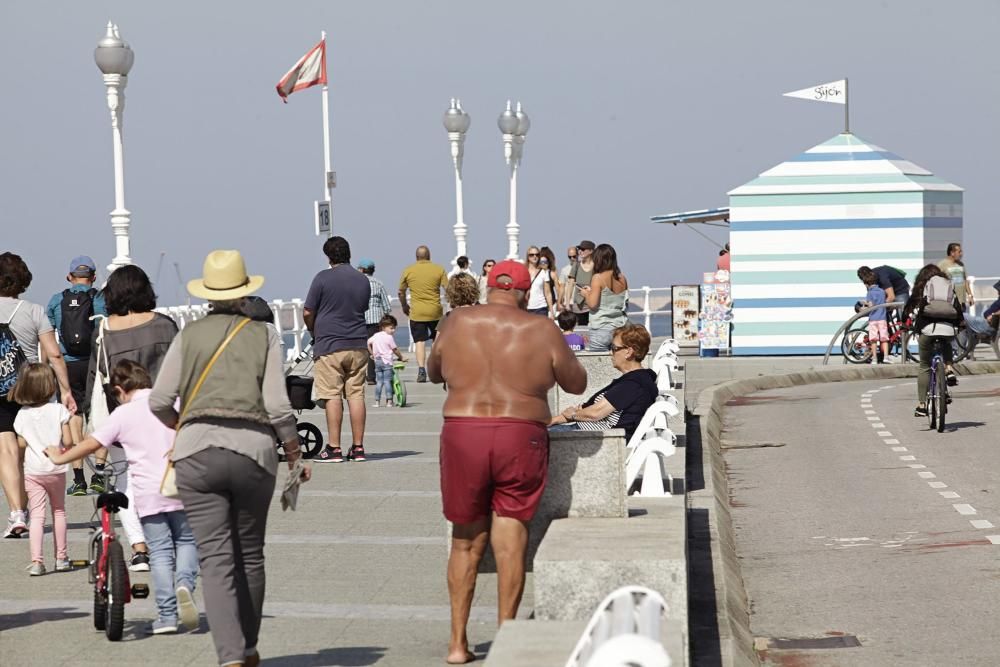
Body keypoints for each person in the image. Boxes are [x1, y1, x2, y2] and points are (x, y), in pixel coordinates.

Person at [150, 249, 311, 667]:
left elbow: (159, 400)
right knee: (250, 554)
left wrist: (183, 425)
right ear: (244, 293)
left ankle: (230, 656)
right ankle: (250, 646)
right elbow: (277, 406)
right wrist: (293, 452)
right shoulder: (265, 335)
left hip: (196, 454)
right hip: (254, 453)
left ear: (206, 294)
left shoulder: (188, 335)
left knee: (216, 560)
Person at [427, 259, 587, 664]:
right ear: (523, 292)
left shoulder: (456, 322)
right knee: (511, 536)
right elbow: (576, 382)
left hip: (463, 431)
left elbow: (432, 371)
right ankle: (506, 638)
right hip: (521, 433)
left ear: (488, 289)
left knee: (465, 540)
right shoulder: (542, 329)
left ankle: (457, 644)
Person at [47, 360, 199, 635]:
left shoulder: (122, 415)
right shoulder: (173, 402)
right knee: (187, 541)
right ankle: (185, 583)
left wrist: (59, 457)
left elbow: (90, 445)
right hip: (181, 483)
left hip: (149, 494)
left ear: (119, 389)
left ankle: (166, 616)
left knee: (162, 552)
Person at [86, 264, 178, 571]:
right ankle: (171, 541)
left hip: (122, 418)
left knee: (127, 483)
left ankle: (139, 548)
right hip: (164, 416)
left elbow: (97, 377)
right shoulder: (165, 325)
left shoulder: (105, 330)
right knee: (168, 474)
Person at [0, 252, 76, 539]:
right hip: (29, 386)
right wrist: (65, 390)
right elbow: (55, 354)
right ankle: (36, 504)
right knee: (28, 446)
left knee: (5, 449)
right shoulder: (33, 311)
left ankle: (17, 513)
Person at [304, 237, 372, 463]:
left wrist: (314, 330)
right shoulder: (363, 280)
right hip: (358, 344)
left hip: (330, 345)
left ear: (328, 256)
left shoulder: (322, 278)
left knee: (332, 395)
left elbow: (307, 311)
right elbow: (361, 308)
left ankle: (334, 449)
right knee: (356, 395)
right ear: (349, 254)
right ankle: (359, 448)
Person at [47, 256, 108, 497]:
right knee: (99, 416)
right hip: (94, 363)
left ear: (69, 277)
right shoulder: (100, 298)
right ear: (93, 277)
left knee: (74, 416)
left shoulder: (57, 300)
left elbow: (48, 334)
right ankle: (99, 476)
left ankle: (79, 480)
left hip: (67, 364)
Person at [10, 363, 72, 575]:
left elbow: (20, 445)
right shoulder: (59, 411)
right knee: (59, 511)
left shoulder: (21, 415)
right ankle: (61, 558)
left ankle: (37, 562)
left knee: (37, 515)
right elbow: (69, 440)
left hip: (33, 471)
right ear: (50, 386)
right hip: (56, 468)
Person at [549, 324, 657, 442]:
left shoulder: (633, 384)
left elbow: (595, 413)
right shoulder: (634, 380)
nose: (611, 353)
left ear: (629, 352)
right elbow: (589, 410)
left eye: (614, 348)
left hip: (593, 438)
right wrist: (555, 420)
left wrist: (574, 415)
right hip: (584, 431)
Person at [902, 264, 962, 417]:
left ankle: (922, 405)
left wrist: (905, 324)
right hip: (948, 330)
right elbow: (958, 309)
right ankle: (948, 369)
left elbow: (907, 312)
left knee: (924, 366)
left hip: (928, 331)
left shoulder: (921, 290)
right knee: (946, 341)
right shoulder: (947, 287)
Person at [398, 245, 448, 383]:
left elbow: (401, 292)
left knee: (419, 341)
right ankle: (436, 368)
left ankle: (421, 370)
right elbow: (448, 289)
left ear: (416, 257)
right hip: (435, 311)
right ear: (429, 256)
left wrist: (404, 305)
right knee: (435, 340)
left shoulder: (409, 270)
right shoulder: (439, 269)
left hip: (417, 312)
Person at [583, 243, 629, 351]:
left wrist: (586, 294)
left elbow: (593, 305)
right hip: (620, 327)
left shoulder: (598, 278)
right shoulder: (622, 278)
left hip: (601, 328)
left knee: (598, 365)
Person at [358, 258, 392, 386]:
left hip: (360, 319)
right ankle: (372, 376)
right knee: (374, 348)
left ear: (361, 270)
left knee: (360, 348)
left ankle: (360, 375)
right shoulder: (379, 284)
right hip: (376, 320)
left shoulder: (357, 283)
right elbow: (387, 306)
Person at [367, 315, 405, 408]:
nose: (393, 330)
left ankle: (377, 402)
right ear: (383, 327)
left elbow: (368, 342)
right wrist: (401, 357)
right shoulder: (389, 337)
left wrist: (372, 354)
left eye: (394, 328)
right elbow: (395, 349)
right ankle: (389, 401)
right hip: (387, 362)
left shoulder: (376, 335)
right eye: (391, 328)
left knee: (379, 382)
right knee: (388, 381)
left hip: (377, 361)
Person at [860, 271, 890, 364]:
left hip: (873, 319)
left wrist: (864, 304)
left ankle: (874, 358)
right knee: (884, 339)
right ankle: (886, 357)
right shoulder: (882, 291)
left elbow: (871, 305)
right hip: (882, 318)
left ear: (866, 284)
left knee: (873, 340)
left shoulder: (870, 293)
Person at [563, 240, 595, 326]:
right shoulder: (576, 265)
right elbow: (570, 285)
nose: (580, 251)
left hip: (593, 305)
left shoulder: (597, 266)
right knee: (581, 332)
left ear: (591, 251)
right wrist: (567, 304)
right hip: (579, 307)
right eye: (579, 249)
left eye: (583, 249)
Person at [938, 243, 973, 310]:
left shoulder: (961, 264)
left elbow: (965, 281)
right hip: (950, 302)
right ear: (952, 253)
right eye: (959, 252)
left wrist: (970, 296)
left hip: (961, 302)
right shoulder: (942, 265)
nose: (961, 254)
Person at [524, 246, 554, 316]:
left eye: (537, 255)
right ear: (528, 257)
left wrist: (552, 311)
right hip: (526, 308)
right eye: (532, 255)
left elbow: (548, 292)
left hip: (541, 308)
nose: (535, 257)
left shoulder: (543, 272)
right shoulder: (523, 271)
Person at [539, 247, 561, 315]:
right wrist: (559, 302)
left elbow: (558, 290)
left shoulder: (537, 273)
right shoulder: (553, 273)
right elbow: (558, 291)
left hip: (540, 304)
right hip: (550, 303)